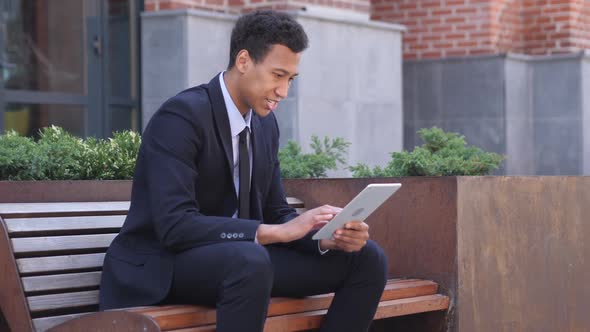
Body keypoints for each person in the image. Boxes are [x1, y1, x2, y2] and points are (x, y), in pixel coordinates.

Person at [99, 10, 387, 332]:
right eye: (277, 75)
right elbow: (175, 226)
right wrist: (268, 233)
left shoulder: (264, 125)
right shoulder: (181, 117)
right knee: (249, 262)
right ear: (244, 60)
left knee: (366, 258)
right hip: (163, 265)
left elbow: (276, 212)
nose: (284, 92)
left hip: (242, 264)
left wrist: (324, 235)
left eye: (290, 79)